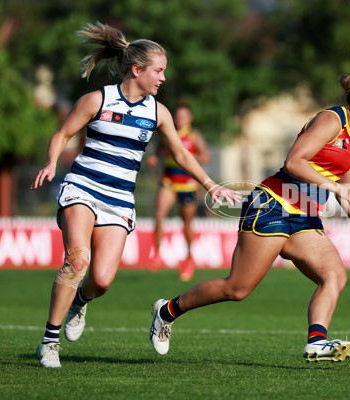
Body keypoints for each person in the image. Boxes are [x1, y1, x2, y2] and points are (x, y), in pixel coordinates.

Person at [148, 74, 350, 363]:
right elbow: (295, 162)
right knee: (237, 289)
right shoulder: (331, 121)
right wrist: (330, 186)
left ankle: (317, 342)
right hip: (272, 206)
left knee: (334, 276)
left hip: (305, 217)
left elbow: (344, 190)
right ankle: (166, 311)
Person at [30, 22, 239, 368]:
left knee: (102, 280)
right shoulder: (97, 99)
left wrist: (211, 185)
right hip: (82, 187)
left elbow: (183, 155)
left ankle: (80, 302)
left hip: (118, 201)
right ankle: (49, 342)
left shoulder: (158, 113)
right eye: (158, 71)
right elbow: (62, 133)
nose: (163, 78)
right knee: (77, 260)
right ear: (137, 69)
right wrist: (52, 162)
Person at [146, 100, 212, 281]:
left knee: (186, 224)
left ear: (189, 118)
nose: (180, 119)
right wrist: (153, 158)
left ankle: (189, 259)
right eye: (178, 116)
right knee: (159, 215)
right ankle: (158, 253)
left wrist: (187, 154)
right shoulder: (169, 132)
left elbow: (206, 157)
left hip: (187, 184)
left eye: (184, 116)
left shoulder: (194, 135)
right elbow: (160, 149)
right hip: (168, 180)